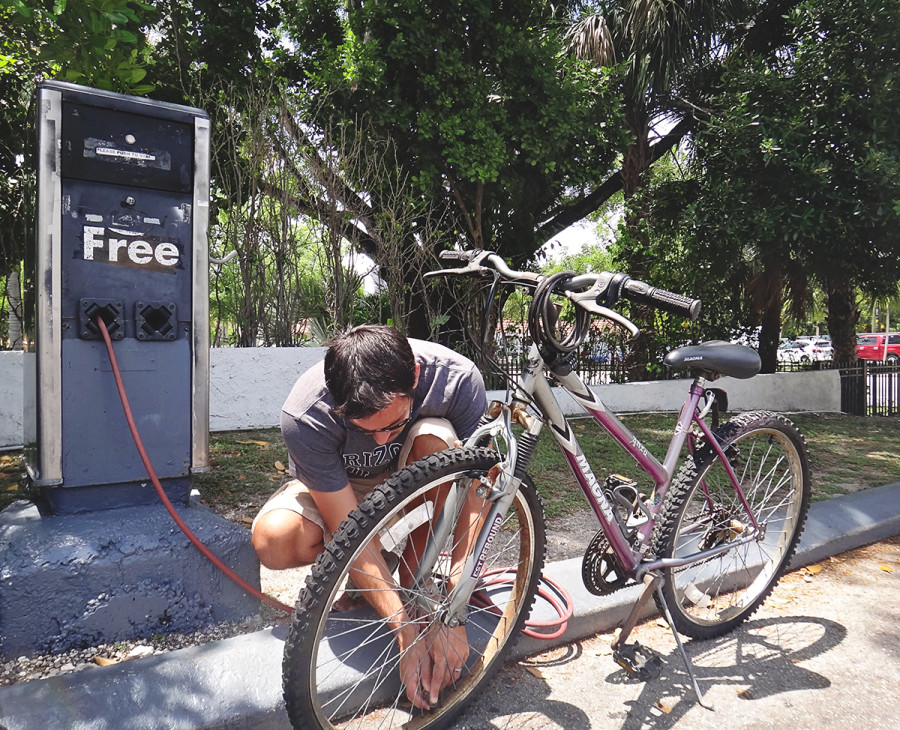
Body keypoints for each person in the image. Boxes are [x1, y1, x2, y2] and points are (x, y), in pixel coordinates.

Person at [251, 324, 488, 710]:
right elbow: (348, 529)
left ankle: (418, 584)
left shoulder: (457, 380)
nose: (382, 439)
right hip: (343, 490)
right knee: (274, 541)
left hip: (417, 474)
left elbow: (477, 487)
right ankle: (389, 585)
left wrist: (454, 605)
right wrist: (402, 631)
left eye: (393, 424)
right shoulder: (306, 413)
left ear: (414, 377)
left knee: (436, 440)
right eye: (366, 429)